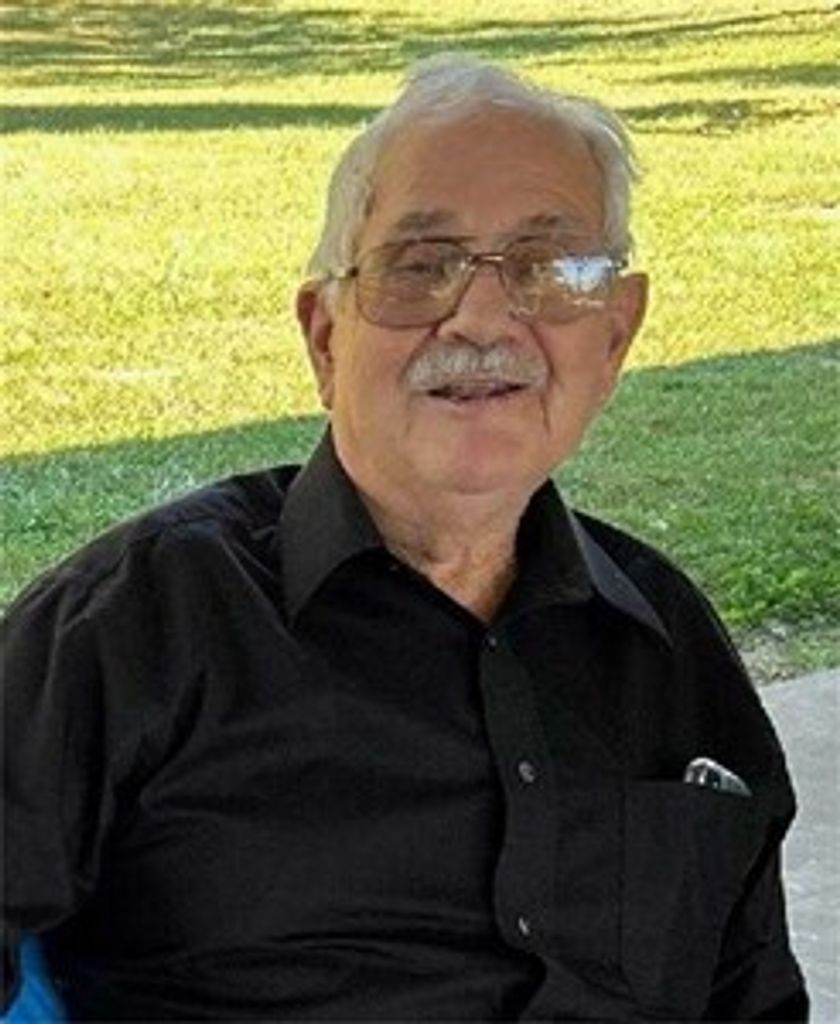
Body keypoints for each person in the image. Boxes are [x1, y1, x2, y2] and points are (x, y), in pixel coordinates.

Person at [1, 55, 807, 1021]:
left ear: (614, 338)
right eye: (421, 266)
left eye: (548, 269)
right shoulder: (138, 625)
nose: (482, 317)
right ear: (325, 338)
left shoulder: (666, 648)